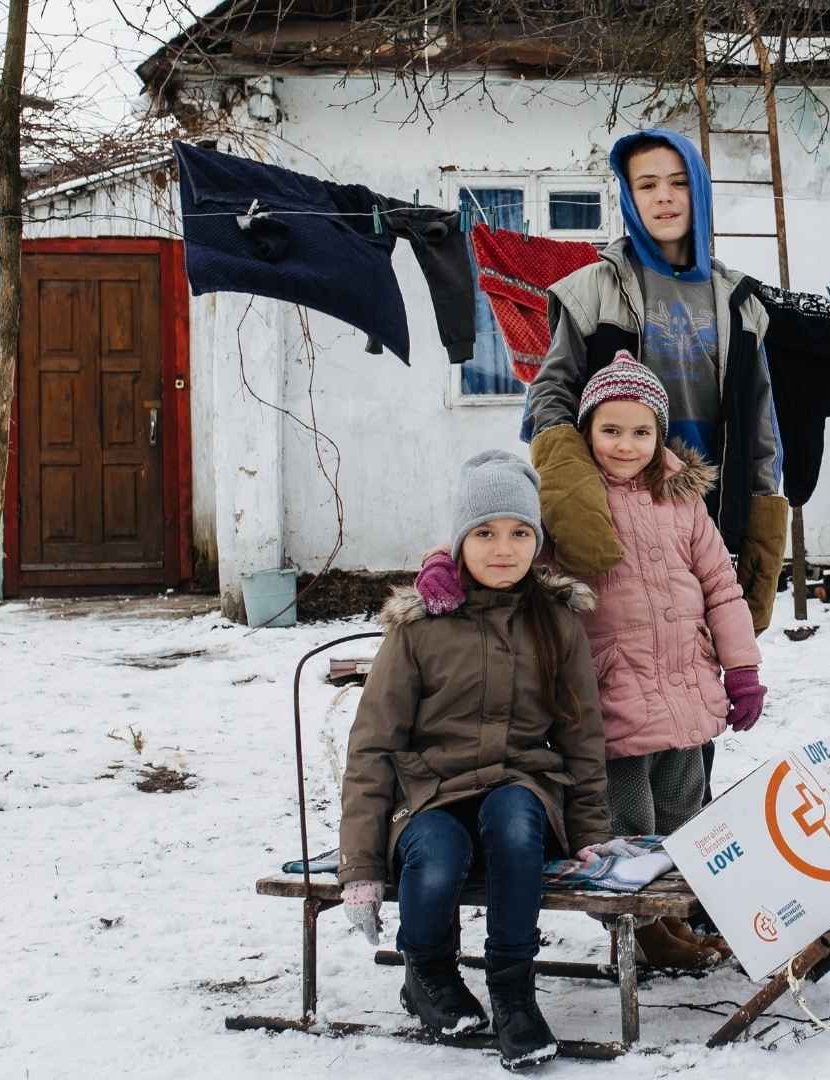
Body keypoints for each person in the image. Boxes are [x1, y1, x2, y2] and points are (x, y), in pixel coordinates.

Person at [337, 450, 627, 1072]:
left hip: (518, 784)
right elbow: (373, 746)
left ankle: (514, 994)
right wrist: (360, 865)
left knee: (519, 826)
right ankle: (429, 976)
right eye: (486, 533)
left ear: (537, 540)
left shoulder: (556, 621)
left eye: (520, 532)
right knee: (436, 861)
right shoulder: (419, 627)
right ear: (461, 540)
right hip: (430, 795)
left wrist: (593, 834)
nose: (504, 548)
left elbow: (581, 737)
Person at [522, 128, 790, 634]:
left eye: (678, 182)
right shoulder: (594, 290)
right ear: (628, 196)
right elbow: (550, 396)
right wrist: (573, 496)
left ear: (701, 192)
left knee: (696, 658)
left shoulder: (742, 304)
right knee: (620, 657)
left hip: (706, 512)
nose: (663, 196)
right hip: (616, 506)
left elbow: (761, 426)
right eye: (646, 185)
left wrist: (762, 534)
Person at [571, 351, 769, 968]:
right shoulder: (570, 498)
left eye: (640, 431)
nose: (625, 445)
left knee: (686, 812)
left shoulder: (681, 499)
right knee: (630, 820)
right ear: (587, 431)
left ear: (659, 434)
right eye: (610, 430)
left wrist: (741, 669)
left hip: (685, 684)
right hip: (616, 686)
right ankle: (642, 932)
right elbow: (507, 541)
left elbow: (720, 584)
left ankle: (673, 918)